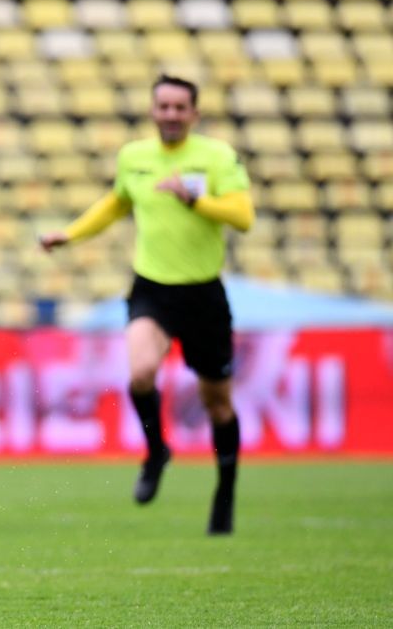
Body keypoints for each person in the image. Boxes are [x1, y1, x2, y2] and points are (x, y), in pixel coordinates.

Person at [39, 75, 253, 535]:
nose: (171, 115)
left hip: (203, 294)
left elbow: (244, 216)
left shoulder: (216, 157)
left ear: (194, 114)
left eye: (180, 107)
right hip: (152, 289)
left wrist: (198, 200)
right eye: (164, 106)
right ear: (153, 110)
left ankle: (225, 493)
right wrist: (70, 234)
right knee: (139, 374)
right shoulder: (134, 157)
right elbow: (117, 204)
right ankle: (157, 450)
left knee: (219, 404)